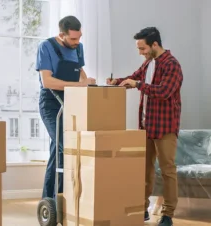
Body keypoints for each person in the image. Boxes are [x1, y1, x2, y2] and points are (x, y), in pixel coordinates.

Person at [106, 27, 183, 226]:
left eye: (142, 48)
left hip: (165, 127)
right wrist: (117, 81)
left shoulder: (172, 65)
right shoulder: (149, 63)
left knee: (168, 171)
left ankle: (167, 214)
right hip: (146, 126)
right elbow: (134, 77)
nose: (140, 53)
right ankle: (143, 210)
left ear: (154, 44)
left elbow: (164, 91)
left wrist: (138, 85)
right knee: (144, 170)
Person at [35, 15, 96, 199]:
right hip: (51, 103)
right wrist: (80, 85)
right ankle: (62, 197)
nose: (77, 42)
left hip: (70, 101)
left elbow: (80, 73)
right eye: (73, 39)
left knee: (58, 150)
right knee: (66, 146)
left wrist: (88, 82)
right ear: (62, 35)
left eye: (79, 37)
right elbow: (47, 81)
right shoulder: (46, 47)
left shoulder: (79, 48)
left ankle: (52, 200)